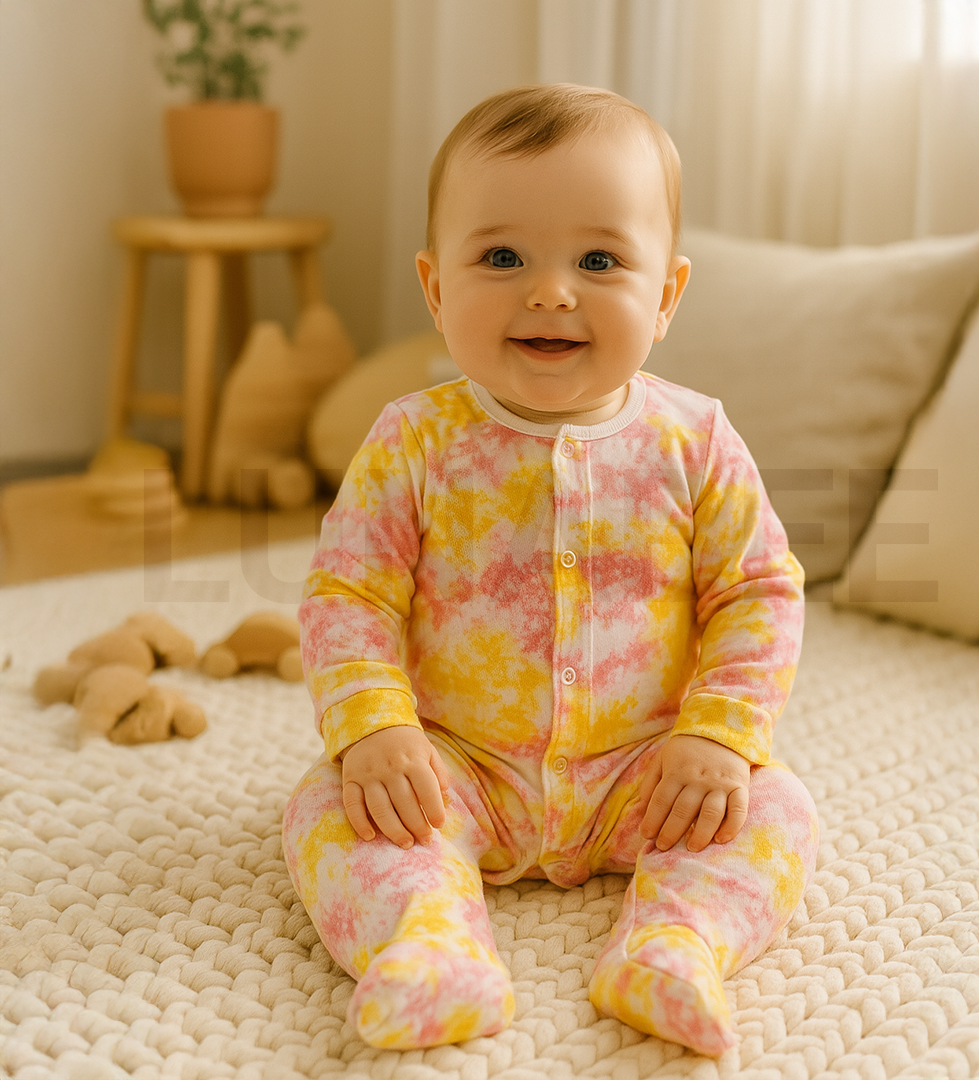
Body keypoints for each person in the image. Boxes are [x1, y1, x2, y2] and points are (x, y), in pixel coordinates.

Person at [283, 83, 818, 1058]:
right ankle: (430, 943)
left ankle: (676, 943)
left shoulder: (694, 439)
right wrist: (374, 726)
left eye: (599, 260)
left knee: (776, 809)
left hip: (648, 772)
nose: (549, 291)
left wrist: (719, 734)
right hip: (456, 765)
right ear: (437, 287)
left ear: (665, 296)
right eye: (501, 257)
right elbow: (349, 593)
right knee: (327, 805)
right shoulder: (415, 439)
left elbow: (757, 592)